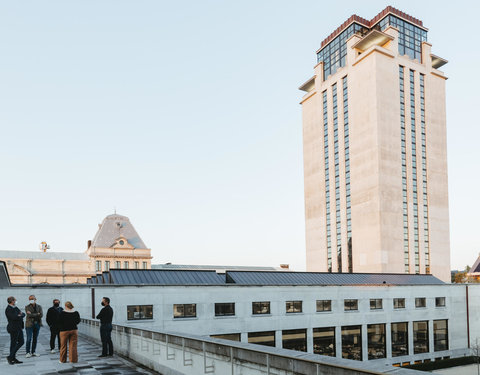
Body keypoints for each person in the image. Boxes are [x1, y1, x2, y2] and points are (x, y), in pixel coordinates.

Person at [5, 296, 25, 365]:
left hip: (19, 327)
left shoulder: (15, 307)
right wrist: (19, 315)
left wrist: (20, 315)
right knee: (13, 343)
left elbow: (23, 314)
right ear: (12, 301)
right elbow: (14, 317)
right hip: (13, 328)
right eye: (15, 300)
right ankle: (12, 357)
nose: (16, 301)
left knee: (21, 341)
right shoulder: (8, 309)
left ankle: (11, 356)